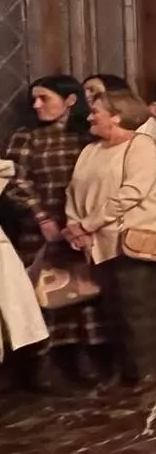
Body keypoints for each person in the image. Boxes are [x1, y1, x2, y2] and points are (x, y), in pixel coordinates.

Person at [64, 88, 156, 391]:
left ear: (117, 116)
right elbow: (73, 190)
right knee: (113, 311)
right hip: (98, 244)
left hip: (132, 241)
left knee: (139, 309)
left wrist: (86, 224)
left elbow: (131, 194)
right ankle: (125, 370)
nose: (89, 116)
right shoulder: (91, 150)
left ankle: (149, 370)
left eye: (96, 111)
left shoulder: (142, 147)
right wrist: (74, 225)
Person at [2, 76, 98, 387]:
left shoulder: (85, 135)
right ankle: (40, 366)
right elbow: (16, 179)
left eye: (44, 98)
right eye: (34, 99)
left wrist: (85, 220)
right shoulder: (27, 136)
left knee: (80, 294)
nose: (36, 105)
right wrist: (41, 216)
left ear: (70, 101)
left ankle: (83, 358)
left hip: (80, 226)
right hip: (39, 229)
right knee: (40, 294)